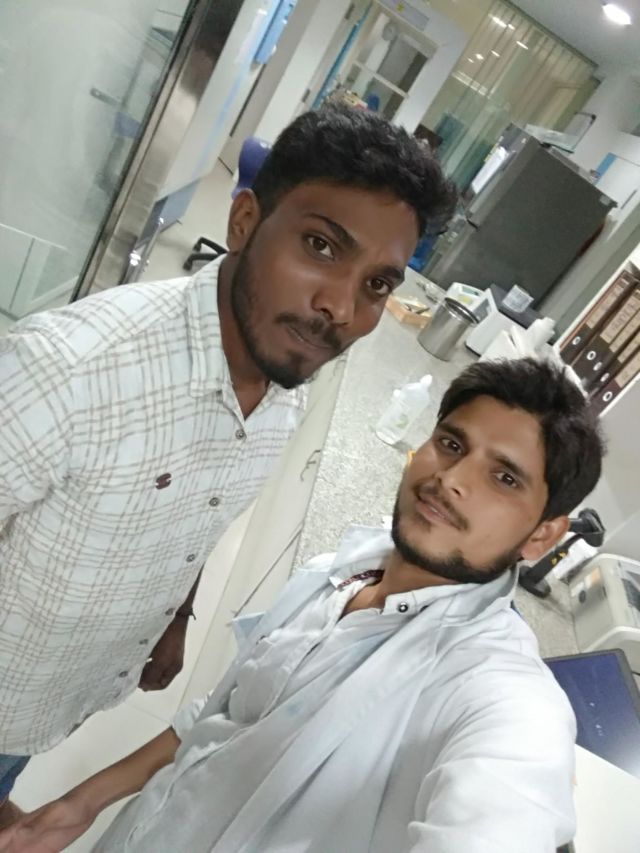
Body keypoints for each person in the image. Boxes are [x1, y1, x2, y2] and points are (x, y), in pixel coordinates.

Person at [0, 104, 456, 826]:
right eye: (321, 246)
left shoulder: (285, 389)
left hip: (54, 697)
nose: (340, 307)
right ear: (245, 221)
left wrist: (175, 615)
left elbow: (201, 508)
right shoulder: (67, 371)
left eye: (377, 284)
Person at [0, 357, 605, 853]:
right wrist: (78, 805)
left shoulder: (501, 694)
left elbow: (501, 811)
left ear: (542, 535)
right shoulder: (337, 572)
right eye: (451, 443)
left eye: (505, 478)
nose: (452, 479)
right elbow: (224, 715)